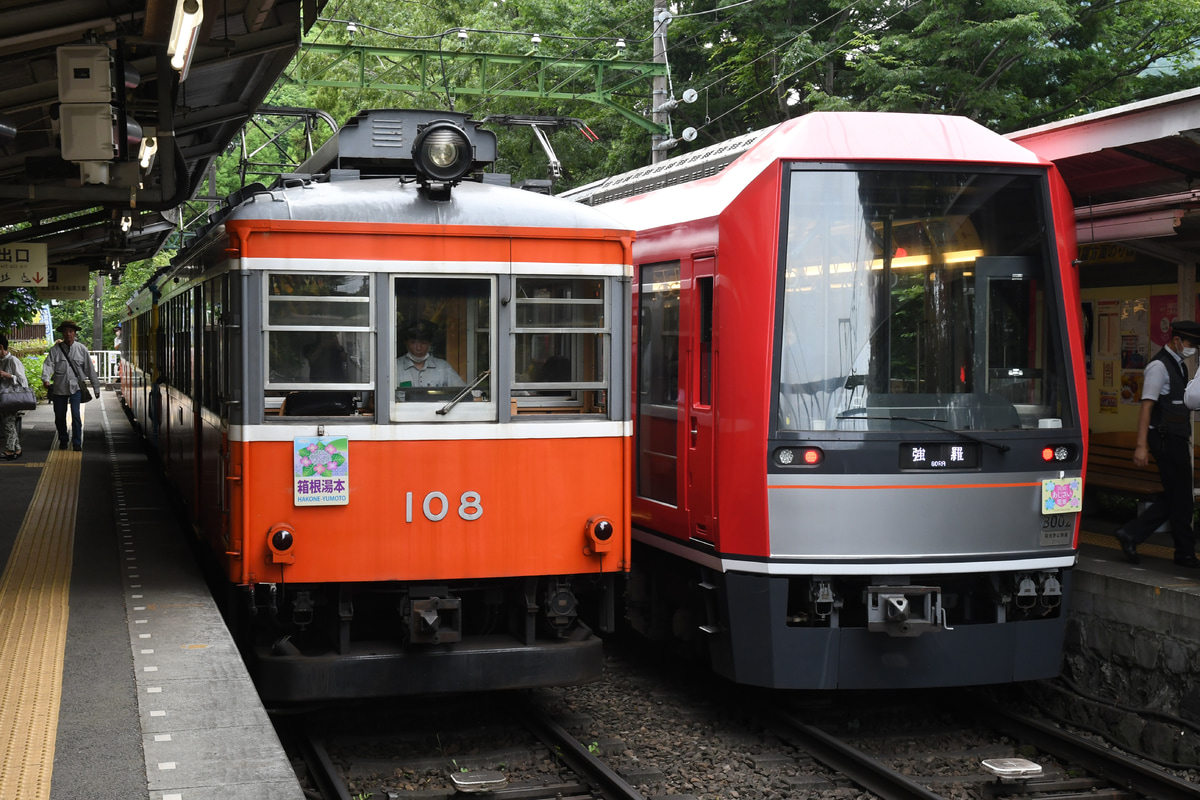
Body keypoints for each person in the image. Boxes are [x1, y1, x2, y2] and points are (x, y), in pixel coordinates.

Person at [1115, 319, 1200, 567]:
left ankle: (1177, 549)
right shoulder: (1158, 367)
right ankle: (1177, 549)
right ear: (1176, 341)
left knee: (1178, 495)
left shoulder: (1179, 365)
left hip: (1175, 436)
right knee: (1181, 494)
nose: (1193, 349)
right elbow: (1147, 406)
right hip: (1164, 438)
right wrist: (1141, 445)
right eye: (1190, 344)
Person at [41, 320, 101, 452]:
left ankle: (77, 442)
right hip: (59, 387)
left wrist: (96, 388)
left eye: (71, 331)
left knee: (76, 415)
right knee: (60, 416)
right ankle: (63, 438)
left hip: (76, 387)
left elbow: (90, 369)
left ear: (74, 333)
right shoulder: (55, 350)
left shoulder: (81, 349)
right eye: (66, 331)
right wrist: (46, 379)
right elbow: (48, 365)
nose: (68, 334)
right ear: (62, 333)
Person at [396, 320, 464, 396]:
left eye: (424, 343)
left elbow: (463, 393)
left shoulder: (443, 367)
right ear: (405, 342)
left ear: (430, 343)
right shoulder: (395, 368)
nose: (418, 348)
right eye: (413, 342)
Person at [0, 333, 28, 460]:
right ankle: (17, 448)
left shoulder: (13, 361)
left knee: (8, 423)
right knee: (8, 422)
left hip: (10, 398)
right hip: (3, 398)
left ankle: (10, 450)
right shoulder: (2, 360)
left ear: (1, 347)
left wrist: (8, 375)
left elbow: (23, 381)